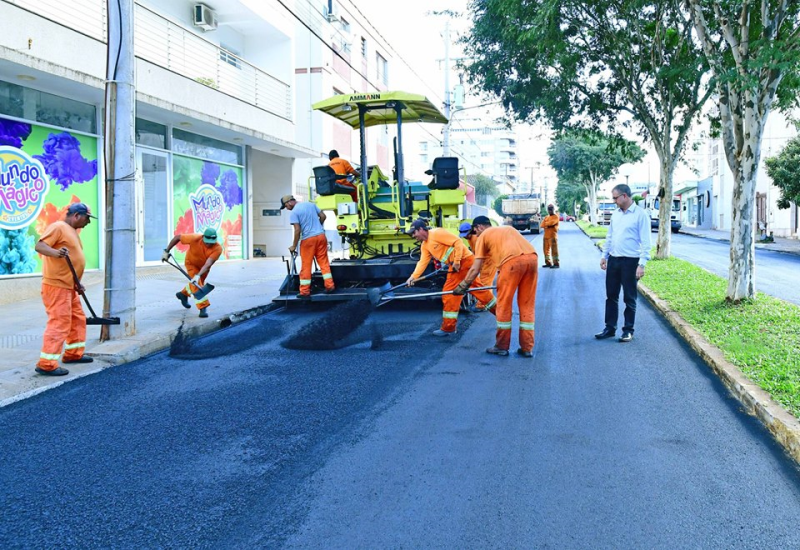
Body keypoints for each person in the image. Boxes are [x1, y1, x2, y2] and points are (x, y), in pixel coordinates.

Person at [455, 215, 538, 358]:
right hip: (532, 259)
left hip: (511, 263)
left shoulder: (483, 236)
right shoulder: (507, 229)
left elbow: (475, 268)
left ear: (479, 227)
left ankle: (502, 346)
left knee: (503, 305)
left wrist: (463, 285)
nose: (476, 234)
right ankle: (527, 347)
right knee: (527, 305)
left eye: (475, 231)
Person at [34, 202, 97, 376]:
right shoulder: (58, 227)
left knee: (77, 319)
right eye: (87, 218)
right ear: (76, 215)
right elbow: (40, 246)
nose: (88, 222)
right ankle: (46, 364)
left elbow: (73, 261)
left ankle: (73, 354)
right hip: (57, 286)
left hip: (69, 286)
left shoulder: (72, 231)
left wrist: (77, 284)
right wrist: (56, 253)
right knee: (59, 323)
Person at [406, 219, 496, 336]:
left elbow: (457, 241)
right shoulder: (425, 246)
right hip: (458, 264)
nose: (413, 236)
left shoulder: (437, 233)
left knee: (450, 294)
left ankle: (448, 328)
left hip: (463, 263)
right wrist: (413, 277)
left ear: (421, 229)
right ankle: (501, 313)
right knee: (478, 290)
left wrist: (457, 261)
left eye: (414, 233)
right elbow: (422, 262)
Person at [595, 183, 651, 343]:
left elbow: (646, 242)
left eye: (615, 198)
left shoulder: (640, 215)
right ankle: (609, 328)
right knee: (611, 296)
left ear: (625, 196)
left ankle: (628, 330)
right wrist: (604, 256)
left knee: (629, 297)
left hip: (631, 261)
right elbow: (610, 237)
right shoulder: (615, 214)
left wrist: (642, 264)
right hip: (614, 259)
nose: (614, 201)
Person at [280, 194, 335, 298]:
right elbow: (323, 216)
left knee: (306, 265)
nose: (287, 208)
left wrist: (293, 246)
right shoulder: (311, 205)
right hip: (321, 237)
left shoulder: (294, 212)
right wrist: (318, 226)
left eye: (286, 206)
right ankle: (330, 286)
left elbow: (297, 230)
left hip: (308, 240)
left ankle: (304, 291)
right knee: (324, 263)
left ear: (289, 202)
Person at [163, 227, 223, 318]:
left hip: (204, 268)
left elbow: (208, 264)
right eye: (207, 242)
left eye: (211, 243)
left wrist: (198, 275)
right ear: (203, 237)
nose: (208, 245)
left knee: (195, 283)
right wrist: (166, 251)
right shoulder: (195, 238)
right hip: (191, 263)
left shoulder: (218, 248)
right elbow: (177, 237)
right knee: (197, 285)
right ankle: (203, 307)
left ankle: (183, 294)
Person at [459, 221, 497, 312]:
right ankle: (488, 303)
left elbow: (480, 253)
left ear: (471, 230)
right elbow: (475, 252)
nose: (465, 236)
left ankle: (482, 305)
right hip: (484, 261)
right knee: (485, 282)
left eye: (466, 234)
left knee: (485, 282)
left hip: (488, 261)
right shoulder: (470, 238)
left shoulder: (476, 238)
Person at [541, 204, 560, 268]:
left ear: (553, 209)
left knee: (554, 251)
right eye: (549, 209)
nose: (550, 211)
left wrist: (547, 224)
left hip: (552, 236)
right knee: (546, 251)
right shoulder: (546, 217)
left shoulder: (556, 217)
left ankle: (556, 263)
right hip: (546, 236)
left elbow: (552, 223)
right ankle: (548, 263)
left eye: (551, 209)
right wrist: (548, 225)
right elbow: (542, 225)